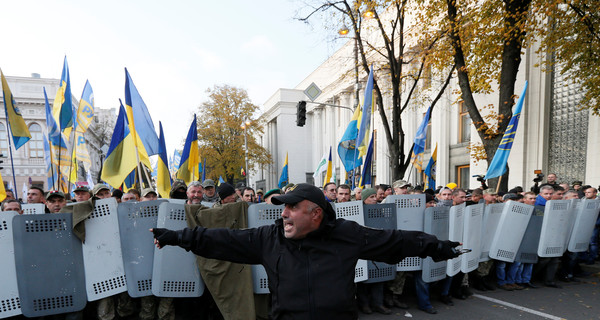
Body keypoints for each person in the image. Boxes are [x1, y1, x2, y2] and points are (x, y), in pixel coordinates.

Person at [151, 183, 460, 319]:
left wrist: (437, 247)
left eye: (292, 208)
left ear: (316, 213)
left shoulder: (346, 235)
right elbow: (220, 239)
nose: (283, 214)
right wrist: (177, 236)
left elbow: (396, 241)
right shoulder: (268, 239)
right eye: (283, 208)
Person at [356, 188, 392, 315]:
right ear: (364, 199)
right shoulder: (356, 212)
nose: (375, 199)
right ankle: (364, 304)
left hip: (377, 246)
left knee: (379, 275)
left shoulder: (380, 210)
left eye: (374, 196)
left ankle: (378, 304)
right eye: (371, 197)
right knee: (363, 279)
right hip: (363, 248)